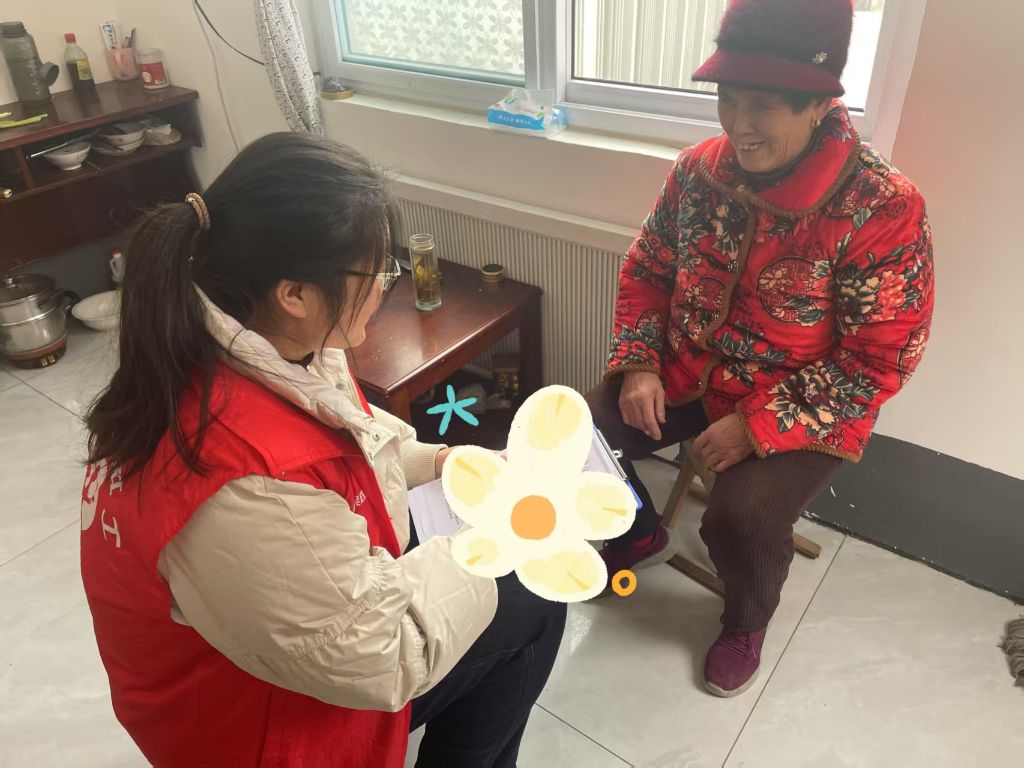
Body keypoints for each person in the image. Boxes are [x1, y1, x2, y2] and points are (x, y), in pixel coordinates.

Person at [81, 132, 566, 767]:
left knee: (517, 595)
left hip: (266, 633)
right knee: (531, 599)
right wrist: (500, 533)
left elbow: (349, 441)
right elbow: (386, 653)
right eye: (376, 273)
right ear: (294, 294)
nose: (385, 288)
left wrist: (443, 464)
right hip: (256, 727)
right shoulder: (244, 484)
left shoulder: (240, 345)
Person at [590, 0, 934, 698]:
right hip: (685, 368)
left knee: (741, 520)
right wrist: (640, 362)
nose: (738, 124)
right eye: (728, 98)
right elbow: (648, 269)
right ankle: (637, 531)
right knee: (574, 433)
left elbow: (881, 359)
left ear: (820, 104)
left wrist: (757, 426)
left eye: (762, 105)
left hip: (800, 402)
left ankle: (746, 618)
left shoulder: (883, 206)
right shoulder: (697, 170)